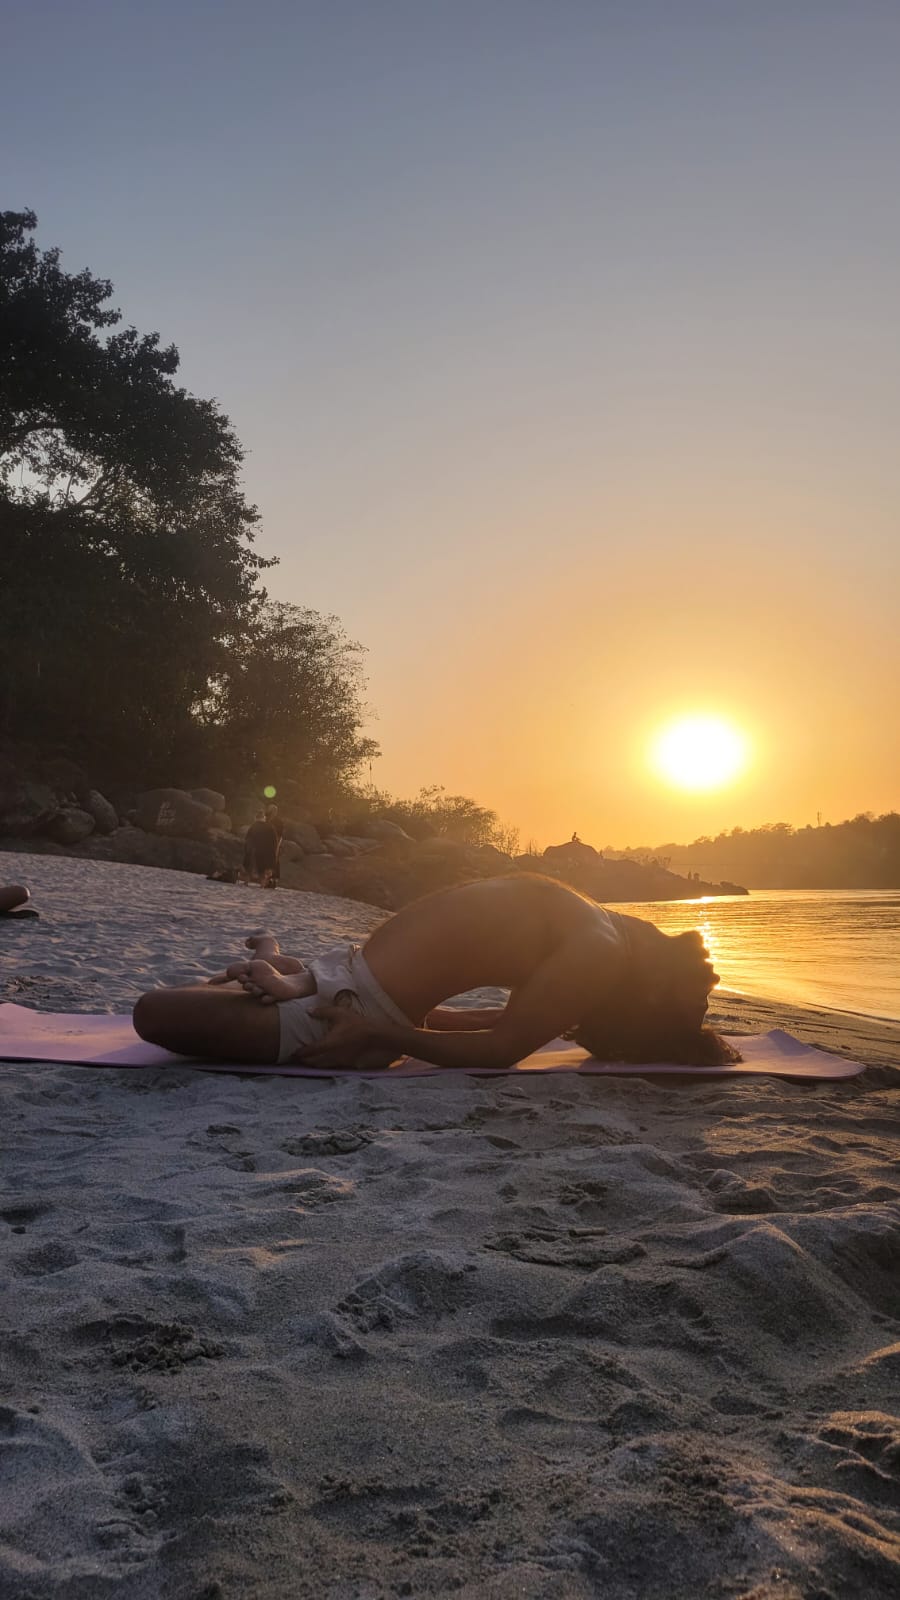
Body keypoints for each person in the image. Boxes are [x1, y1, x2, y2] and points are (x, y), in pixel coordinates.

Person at [133, 874, 738, 1070]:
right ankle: (286, 966)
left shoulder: (601, 949)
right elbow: (504, 1021)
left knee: (153, 1012)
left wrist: (380, 1036)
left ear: (656, 996)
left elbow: (502, 1047)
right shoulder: (604, 931)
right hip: (348, 977)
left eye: (696, 1007)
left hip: (352, 1016)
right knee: (219, 993)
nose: (709, 981)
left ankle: (284, 966)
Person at [242, 810, 278, 887]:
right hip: (266, 852)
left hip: (254, 850)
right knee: (263, 869)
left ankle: (246, 882)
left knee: (249, 867)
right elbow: (274, 841)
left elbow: (248, 839)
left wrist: (247, 849)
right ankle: (262, 885)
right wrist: (273, 852)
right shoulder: (270, 827)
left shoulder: (254, 826)